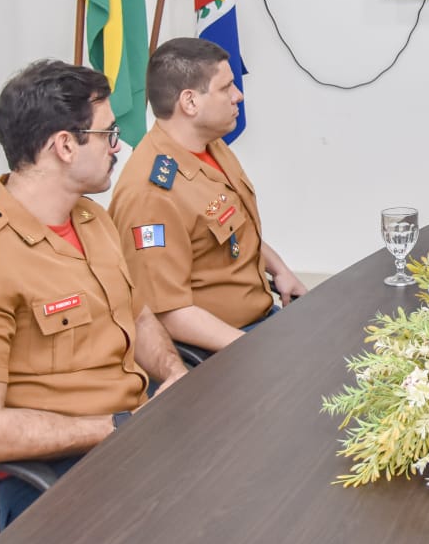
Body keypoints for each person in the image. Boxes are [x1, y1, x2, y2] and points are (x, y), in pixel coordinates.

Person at [0, 61, 188, 529]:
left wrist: (174, 373)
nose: (117, 147)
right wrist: (116, 426)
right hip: (57, 476)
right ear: (64, 145)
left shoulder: (93, 221)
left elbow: (139, 316)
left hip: (134, 441)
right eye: (107, 134)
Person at [110, 37, 307, 352]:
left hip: (260, 316)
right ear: (190, 102)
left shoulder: (210, 145)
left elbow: (233, 230)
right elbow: (168, 313)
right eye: (226, 87)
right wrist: (257, 351)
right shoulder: (151, 194)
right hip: (219, 347)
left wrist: (280, 269)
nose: (238, 96)